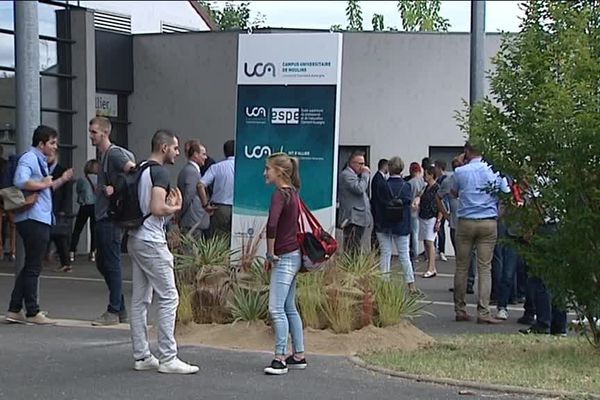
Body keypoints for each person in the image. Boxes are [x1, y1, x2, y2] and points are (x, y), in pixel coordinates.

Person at [127, 129, 199, 374]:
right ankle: (168, 357)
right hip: (151, 240)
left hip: (135, 236)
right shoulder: (159, 172)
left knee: (140, 299)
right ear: (164, 147)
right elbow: (157, 208)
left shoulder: (141, 168)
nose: (177, 153)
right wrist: (174, 207)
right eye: (175, 148)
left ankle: (142, 355)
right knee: (169, 296)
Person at [5, 125, 73, 325]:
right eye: (52, 143)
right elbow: (20, 180)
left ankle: (15, 308)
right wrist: (43, 183)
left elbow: (46, 188)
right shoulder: (30, 158)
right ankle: (32, 311)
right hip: (34, 218)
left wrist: (57, 180)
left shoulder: (38, 160)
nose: (55, 146)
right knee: (34, 266)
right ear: (41, 143)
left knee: (30, 265)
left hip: (35, 217)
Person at [452, 142, 510, 324]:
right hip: (488, 221)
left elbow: (454, 192)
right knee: (485, 268)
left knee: (462, 267)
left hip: (466, 221)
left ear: (467, 152)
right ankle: (484, 311)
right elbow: (506, 194)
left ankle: (460, 309)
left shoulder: (460, 172)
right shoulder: (494, 171)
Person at [89, 116, 136, 326]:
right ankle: (120, 307)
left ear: (105, 133)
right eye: (91, 132)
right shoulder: (106, 156)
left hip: (109, 218)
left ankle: (114, 309)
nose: (91, 136)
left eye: (94, 132)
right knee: (103, 262)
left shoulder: (114, 154)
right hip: (103, 216)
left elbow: (133, 171)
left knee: (111, 262)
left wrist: (115, 188)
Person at [263, 152, 306, 375]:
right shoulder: (294, 194)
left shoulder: (279, 194)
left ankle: (280, 358)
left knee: (276, 308)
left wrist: (270, 253)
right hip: (295, 253)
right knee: (289, 307)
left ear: (279, 171)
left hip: (283, 255)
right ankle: (298, 354)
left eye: (268, 169)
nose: (265, 172)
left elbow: (272, 224)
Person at [372, 156, 416, 292]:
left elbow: (377, 204)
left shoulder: (382, 185)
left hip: (384, 224)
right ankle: (411, 285)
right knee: (404, 255)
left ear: (389, 168)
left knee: (385, 254)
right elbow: (409, 204)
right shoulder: (406, 186)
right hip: (402, 224)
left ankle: (384, 284)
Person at [197, 139, 234, 238]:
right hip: (239, 209)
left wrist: (205, 204)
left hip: (219, 208)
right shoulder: (243, 168)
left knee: (217, 239)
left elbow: (200, 185)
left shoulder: (216, 167)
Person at [337, 151, 372, 253]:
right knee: (352, 248)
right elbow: (360, 189)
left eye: (364, 164)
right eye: (360, 164)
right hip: (353, 219)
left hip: (359, 219)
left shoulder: (355, 176)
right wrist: (365, 175)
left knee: (356, 247)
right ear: (351, 163)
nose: (363, 167)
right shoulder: (347, 175)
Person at [177, 140, 210, 238]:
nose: (206, 157)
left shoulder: (189, 170)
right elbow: (188, 196)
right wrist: (180, 214)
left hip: (191, 219)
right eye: (203, 154)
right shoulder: (192, 172)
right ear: (195, 155)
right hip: (192, 220)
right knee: (191, 251)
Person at [414, 165, 442, 278]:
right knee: (426, 242)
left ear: (431, 175)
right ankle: (432, 267)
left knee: (430, 242)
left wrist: (439, 220)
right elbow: (420, 196)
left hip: (432, 217)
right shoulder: (425, 188)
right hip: (423, 216)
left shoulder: (437, 188)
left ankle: (430, 268)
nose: (424, 176)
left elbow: (441, 206)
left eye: (426, 174)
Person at [47, 152, 73, 273]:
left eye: (50, 156)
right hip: (47, 206)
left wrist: (64, 209)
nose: (47, 159)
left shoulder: (63, 171)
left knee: (59, 236)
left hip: (58, 208)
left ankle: (66, 263)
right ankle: (48, 257)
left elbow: (68, 192)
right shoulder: (43, 169)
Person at [69, 159, 98, 263]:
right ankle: (92, 253)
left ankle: (71, 251)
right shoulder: (99, 179)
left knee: (78, 229)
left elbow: (78, 190)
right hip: (95, 206)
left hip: (85, 205)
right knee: (93, 230)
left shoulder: (82, 179)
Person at [407, 162, 425, 260]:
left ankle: (414, 253)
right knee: (418, 232)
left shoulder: (410, 183)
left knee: (413, 232)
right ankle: (419, 252)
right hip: (421, 210)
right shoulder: (423, 182)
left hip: (412, 210)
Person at [369, 158, 388, 248]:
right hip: (378, 210)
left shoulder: (379, 178)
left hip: (377, 210)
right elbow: (379, 196)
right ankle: (376, 250)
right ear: (384, 166)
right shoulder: (378, 179)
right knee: (377, 232)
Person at [434, 160, 449, 262]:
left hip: (442, 206)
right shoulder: (439, 179)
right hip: (440, 206)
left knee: (440, 228)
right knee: (437, 229)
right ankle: (437, 249)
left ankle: (441, 250)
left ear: (439, 168)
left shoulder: (444, 180)